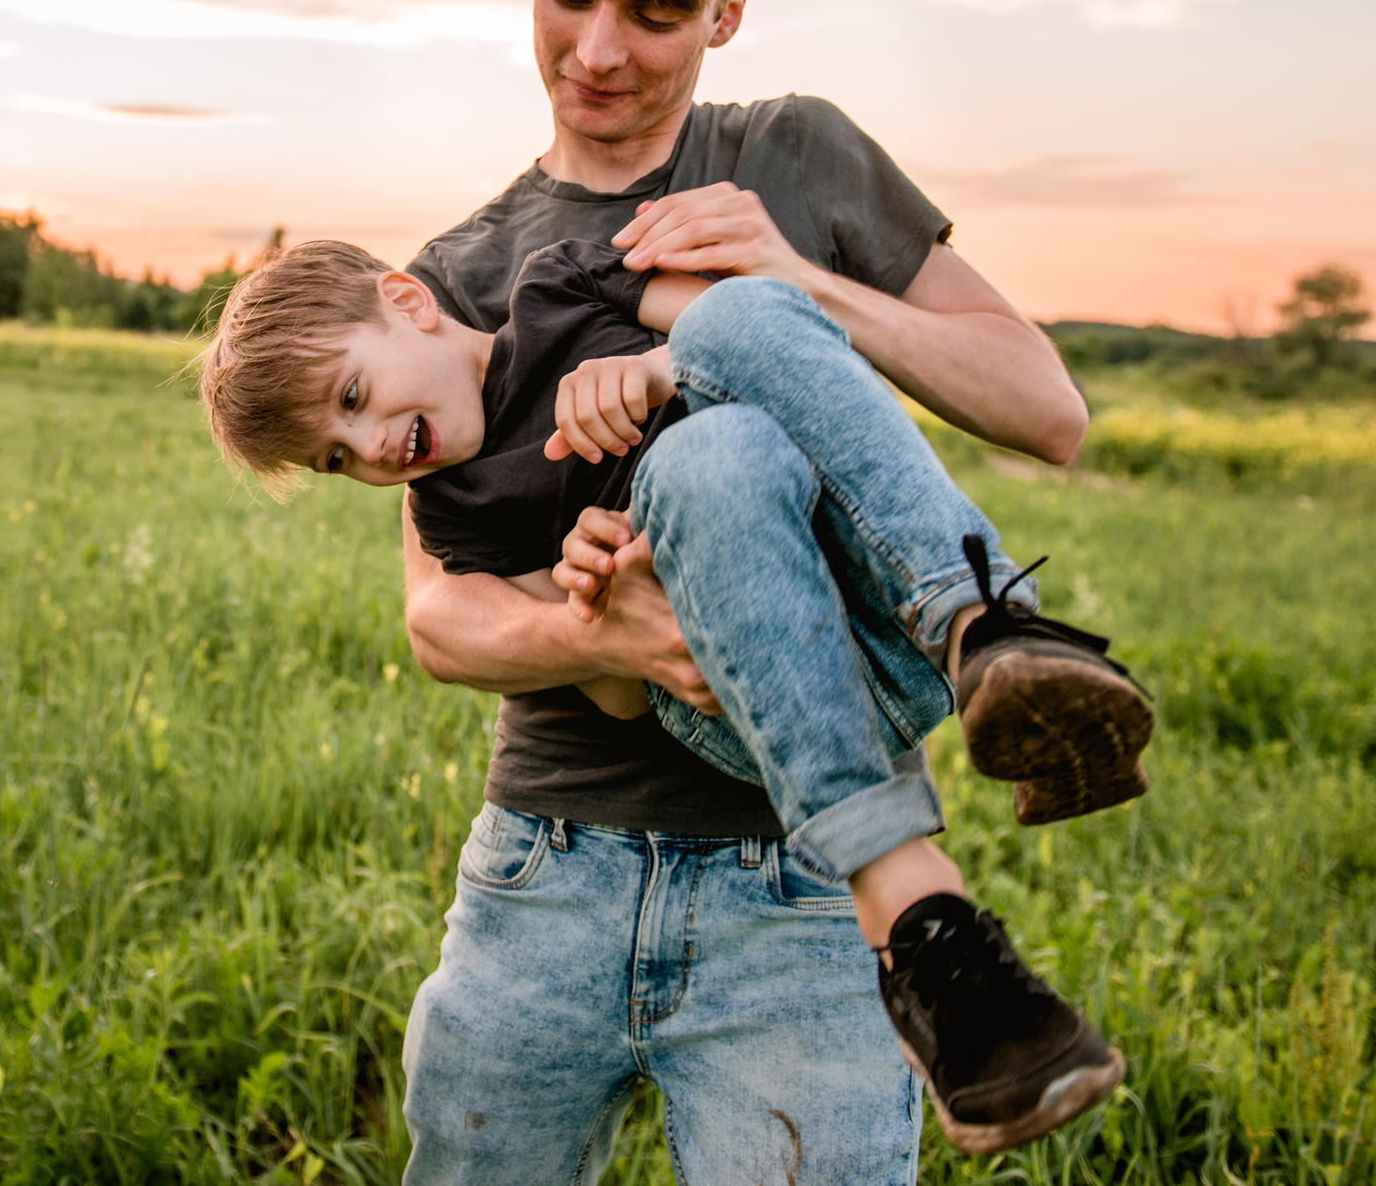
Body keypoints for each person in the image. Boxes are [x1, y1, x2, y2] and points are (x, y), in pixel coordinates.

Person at [301, 0, 1112, 1179]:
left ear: (728, 11)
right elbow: (438, 611)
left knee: (714, 443)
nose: (598, 48)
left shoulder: (795, 152)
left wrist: (799, 282)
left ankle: (983, 638)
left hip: (792, 885)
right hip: (549, 860)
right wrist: (603, 632)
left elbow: (1048, 407)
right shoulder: (449, 282)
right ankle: (924, 903)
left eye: (656, 12)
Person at [198, 227, 1151, 1156]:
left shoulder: (558, 286)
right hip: (741, 709)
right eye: (337, 457)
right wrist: (598, 595)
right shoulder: (459, 514)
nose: (371, 447)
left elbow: (771, 340)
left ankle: (988, 626)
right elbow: (618, 694)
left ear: (408, 302)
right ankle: (916, 913)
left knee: (739, 323)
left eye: (353, 396)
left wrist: (655, 372)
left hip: (883, 613)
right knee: (706, 460)